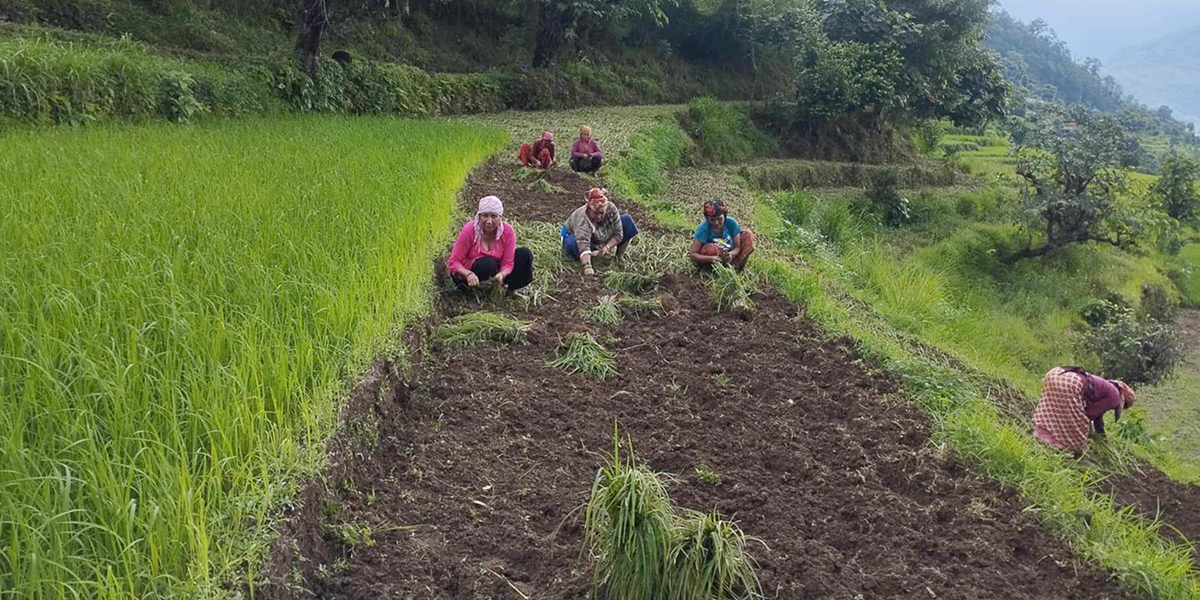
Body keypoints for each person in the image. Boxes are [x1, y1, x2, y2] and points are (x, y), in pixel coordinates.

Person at [1032, 366, 1136, 457]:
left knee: (1052, 410)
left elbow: (1098, 419)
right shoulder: (1115, 398)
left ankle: (1041, 438)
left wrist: (1102, 439)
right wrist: (1089, 433)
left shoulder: (1108, 388)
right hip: (1069, 384)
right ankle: (1068, 449)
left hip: (1056, 374)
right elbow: (1089, 414)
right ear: (1123, 401)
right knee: (1078, 426)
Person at [447, 196, 533, 294]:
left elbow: (508, 263)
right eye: (485, 216)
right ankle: (477, 292)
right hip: (472, 273)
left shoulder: (508, 232)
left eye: (493, 216)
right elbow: (453, 262)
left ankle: (509, 290)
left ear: (500, 217)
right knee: (487, 264)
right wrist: (468, 274)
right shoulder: (469, 230)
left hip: (495, 271)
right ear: (479, 216)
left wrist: (501, 274)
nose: (489, 221)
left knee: (524, 254)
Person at [561, 188, 638, 276]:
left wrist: (606, 248)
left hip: (598, 233)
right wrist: (587, 267)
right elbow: (583, 245)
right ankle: (586, 258)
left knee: (627, 221)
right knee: (573, 244)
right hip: (572, 236)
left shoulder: (611, 209)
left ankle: (618, 257)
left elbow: (618, 234)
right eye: (596, 213)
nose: (599, 216)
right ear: (589, 209)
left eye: (602, 213)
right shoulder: (583, 220)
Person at [689, 200, 755, 272]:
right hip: (713, 256)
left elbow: (737, 247)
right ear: (707, 219)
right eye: (712, 220)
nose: (716, 223)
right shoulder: (704, 229)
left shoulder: (732, 223)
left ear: (724, 216)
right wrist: (713, 258)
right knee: (710, 249)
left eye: (719, 219)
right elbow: (693, 254)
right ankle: (712, 270)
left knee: (747, 235)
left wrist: (730, 255)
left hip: (729, 255)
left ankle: (736, 266)